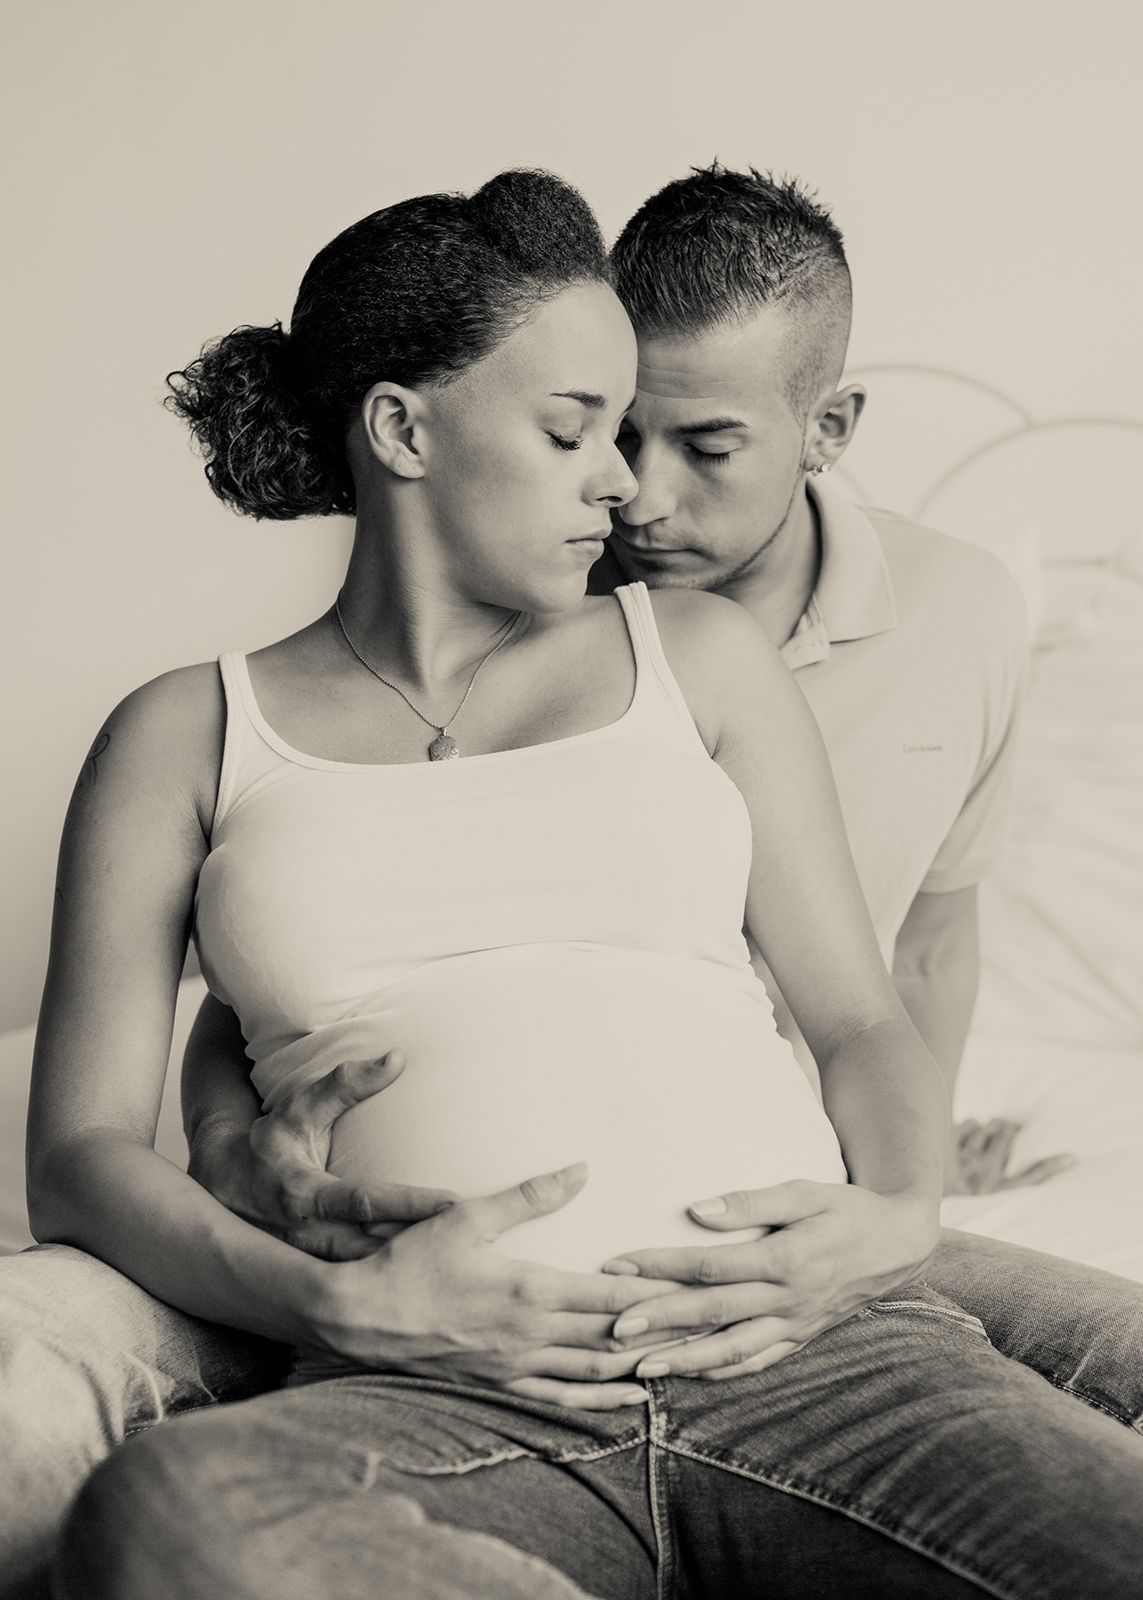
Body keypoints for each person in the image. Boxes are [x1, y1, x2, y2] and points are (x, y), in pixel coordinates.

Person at [4, 167, 1143, 1600]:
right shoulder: (182, 732)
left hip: (815, 1362)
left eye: (638, 433)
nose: (625, 484)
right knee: (174, 1513)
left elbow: (862, 1016)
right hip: (441, 1397)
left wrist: (900, 1209)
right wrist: (335, 1306)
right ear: (403, 430)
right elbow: (80, 1155)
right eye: (576, 430)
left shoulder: (699, 658)